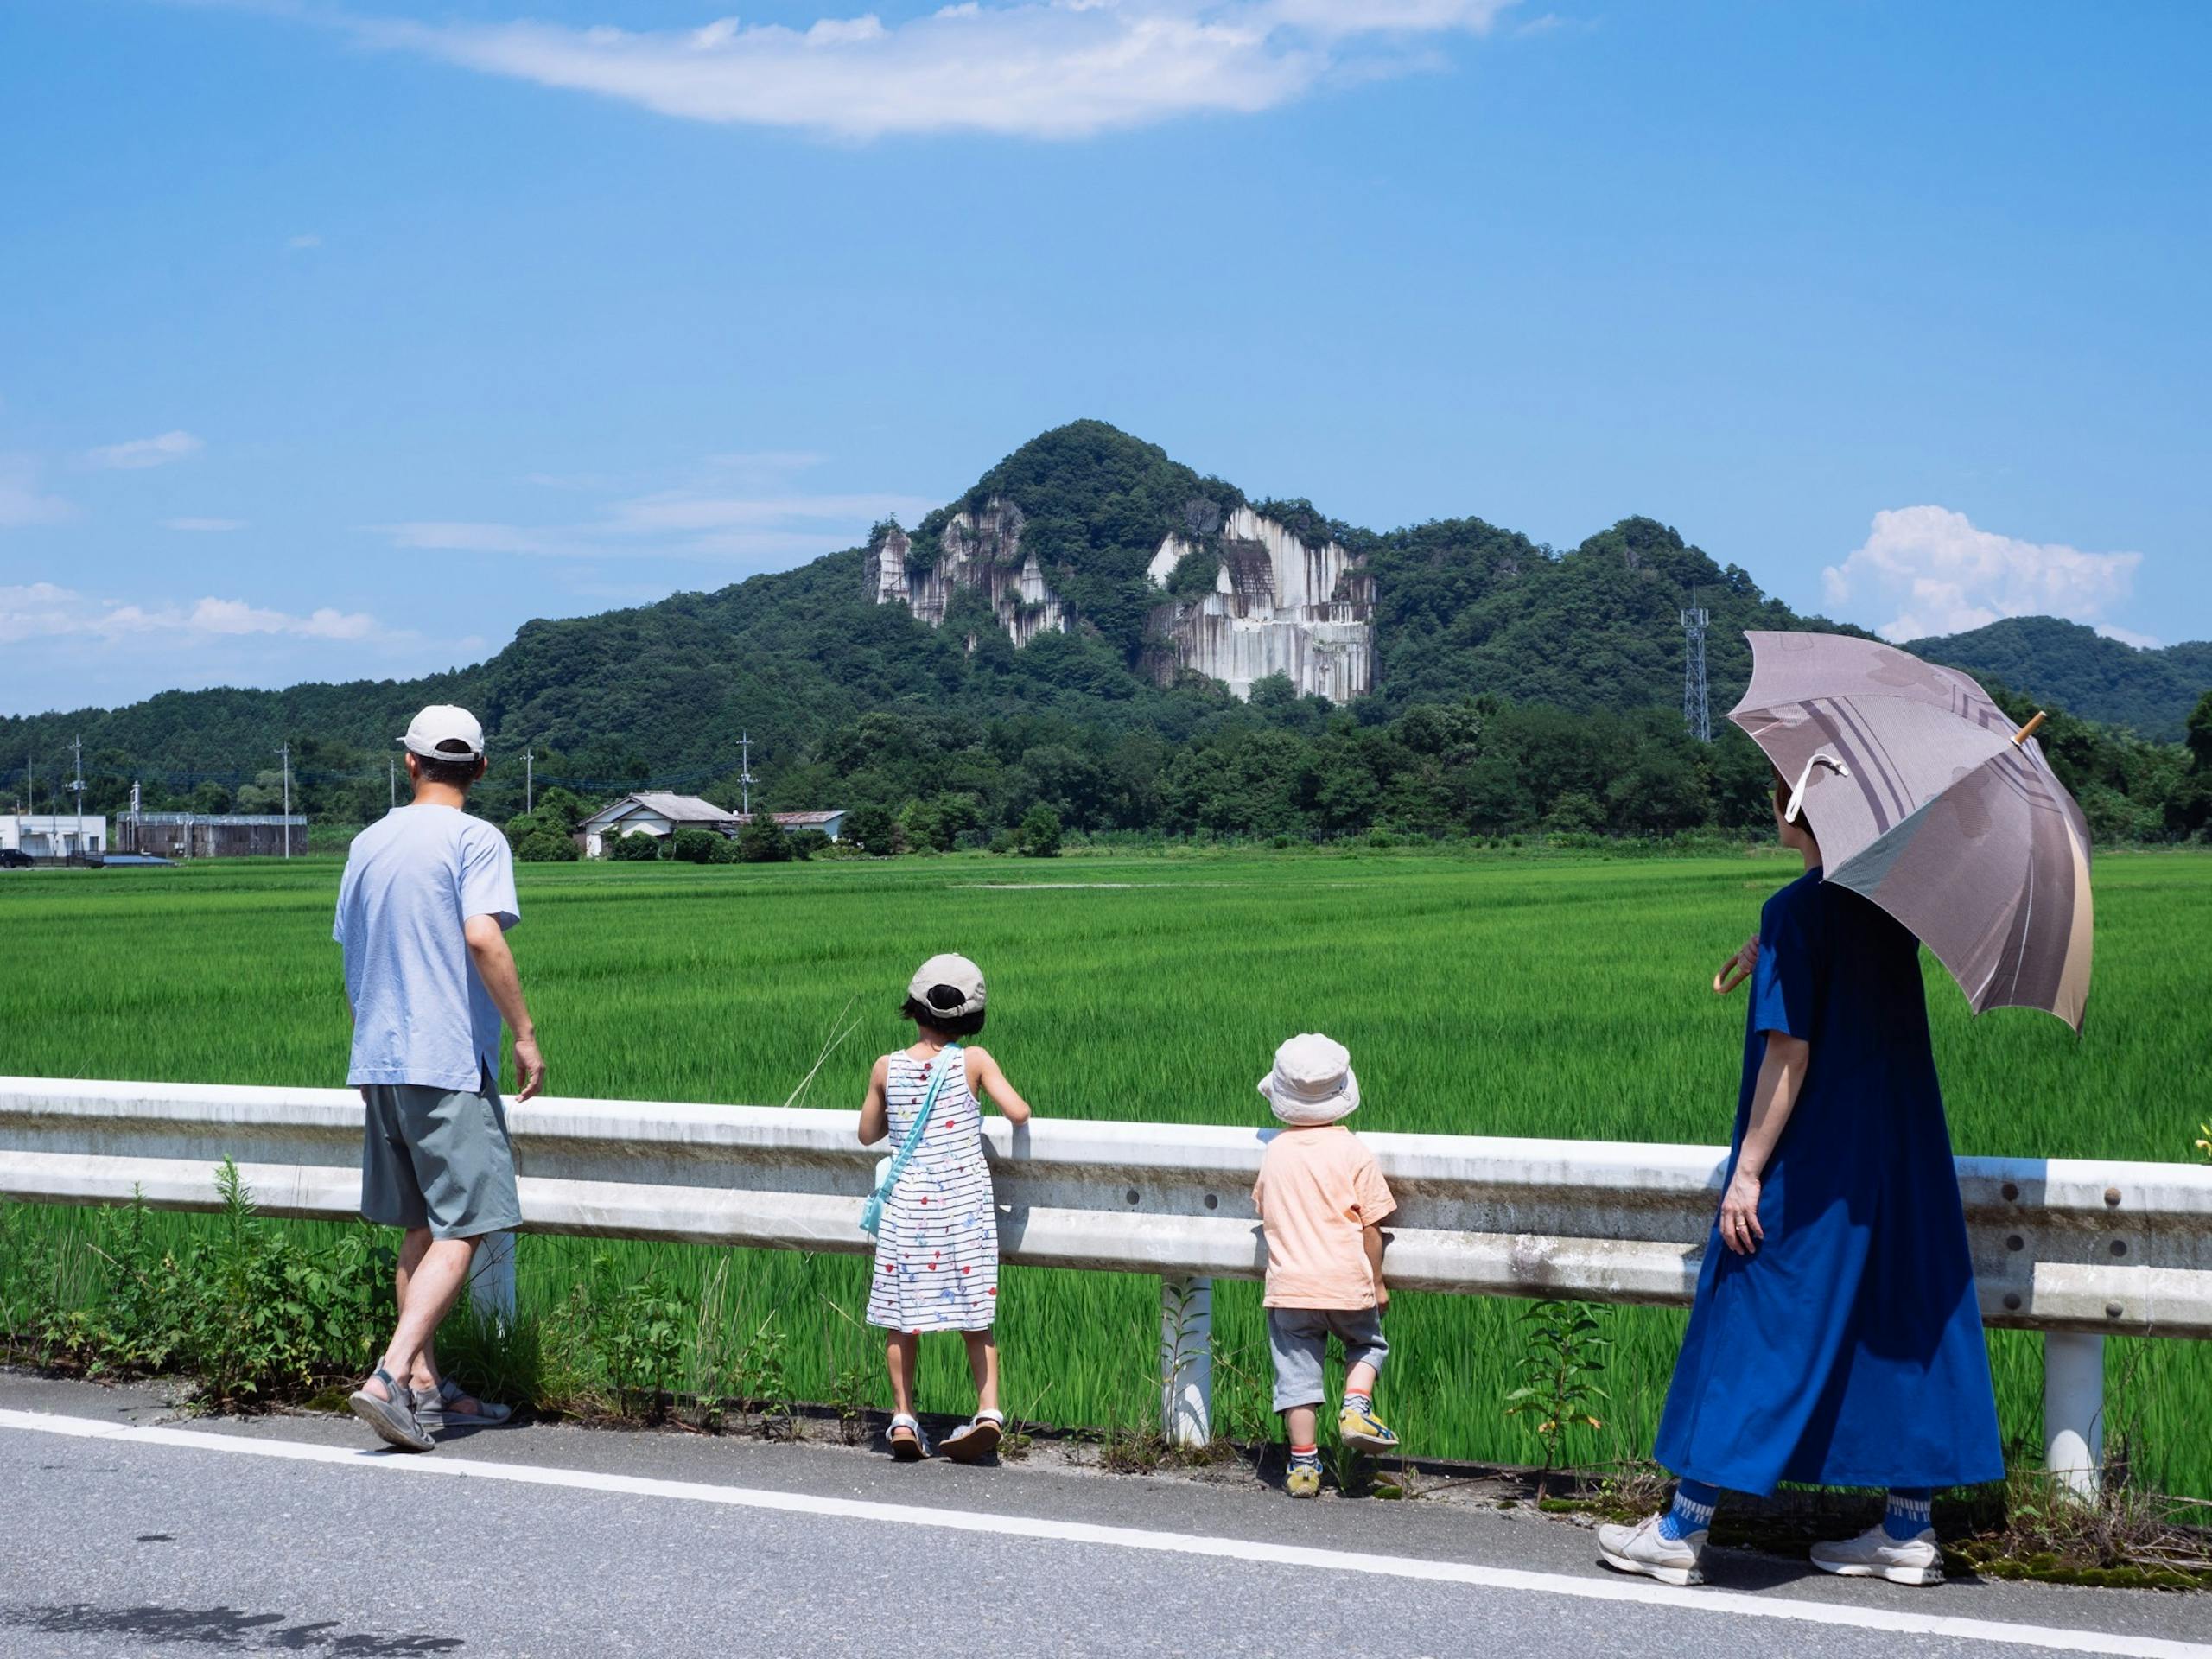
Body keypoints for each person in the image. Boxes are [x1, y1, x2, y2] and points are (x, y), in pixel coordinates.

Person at [1599, 766, 2002, 1587]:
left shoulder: (1795, 911)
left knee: (1758, 1318)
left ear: (1794, 808)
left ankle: (1682, 1528)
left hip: (1818, 1159)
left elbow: (1791, 1052)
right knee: (1900, 1316)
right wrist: (1771, 947)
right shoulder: (1891, 906)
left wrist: (1746, 1173)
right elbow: (1844, 973)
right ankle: (1905, 1529)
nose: (1770, 804)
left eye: (1776, 793)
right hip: (1901, 1153)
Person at [335, 704, 546, 1453]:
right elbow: (482, 933)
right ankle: (390, 1376)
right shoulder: (475, 837)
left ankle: (425, 1390)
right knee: (471, 1221)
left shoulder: (367, 842)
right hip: (446, 1059)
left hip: (380, 1059)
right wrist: (523, 1035)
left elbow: (352, 950)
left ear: (411, 763)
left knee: (420, 1226)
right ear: (482, 770)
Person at [859, 953, 1033, 1462]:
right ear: (971, 1017)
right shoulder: (973, 1060)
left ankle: (903, 1419)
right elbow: (1018, 1111)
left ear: (913, 1007)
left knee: (901, 1317)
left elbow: (869, 1133)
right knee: (975, 1313)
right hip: (963, 1209)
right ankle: (988, 1412)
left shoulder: (886, 1067)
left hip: (909, 1208)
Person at [1251, 1033, 1398, 1498]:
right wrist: (1376, 1282)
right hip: (1345, 1282)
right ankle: (1356, 1405)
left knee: (1296, 1377)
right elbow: (1372, 1227)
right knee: (1367, 1344)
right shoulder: (1355, 1153)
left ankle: (1303, 1468)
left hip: (1290, 1288)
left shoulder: (1274, 1154)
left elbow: (1264, 1209)